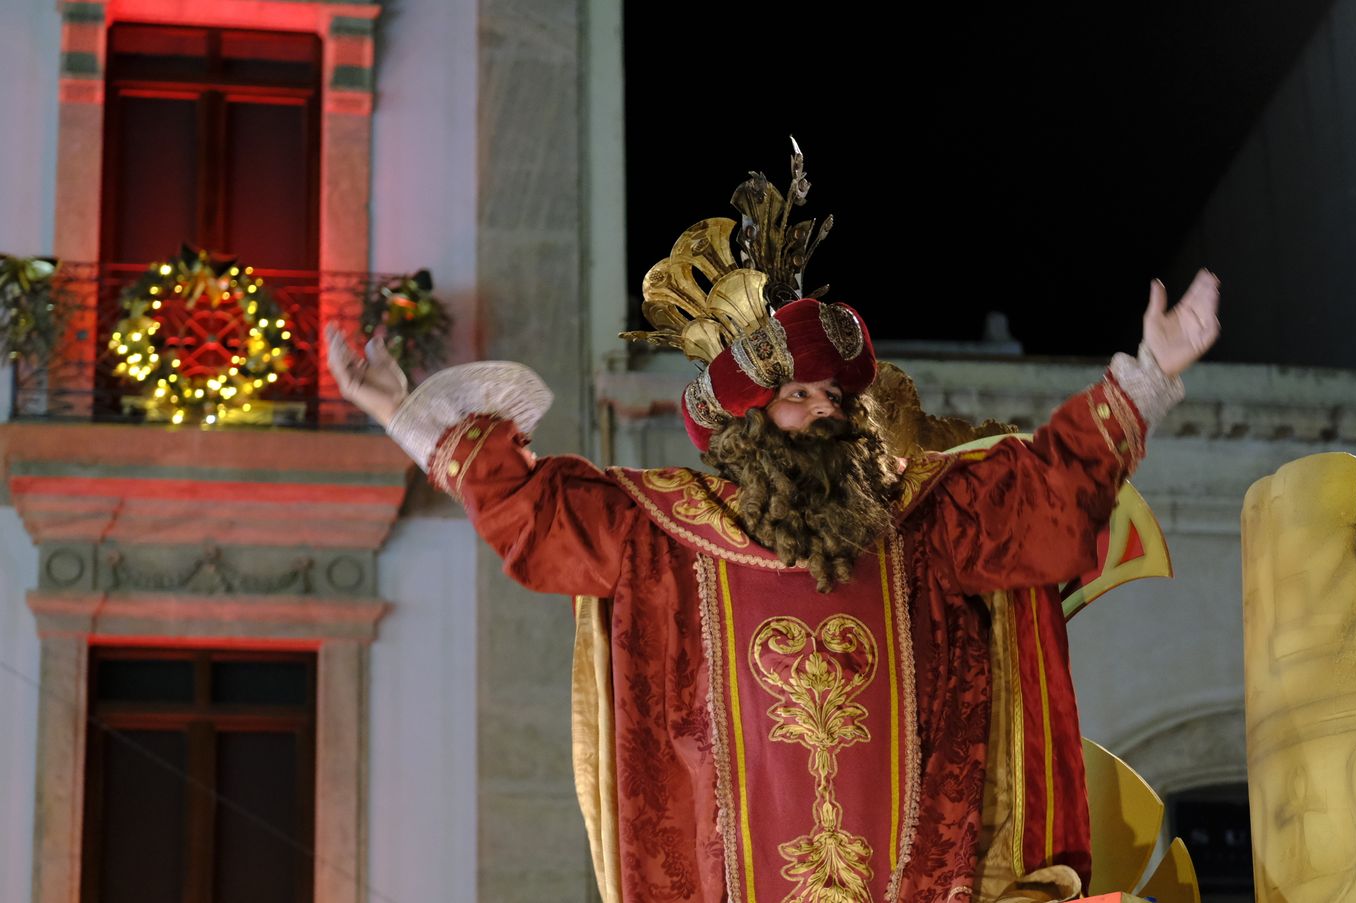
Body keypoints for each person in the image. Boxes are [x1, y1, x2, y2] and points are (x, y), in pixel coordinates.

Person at [325, 151, 1219, 903]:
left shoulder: (927, 520)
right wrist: (404, 412)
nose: (825, 409)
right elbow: (532, 514)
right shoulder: (666, 535)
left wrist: (1148, 374)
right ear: (747, 425)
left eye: (833, 394)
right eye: (796, 395)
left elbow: (1048, 500)